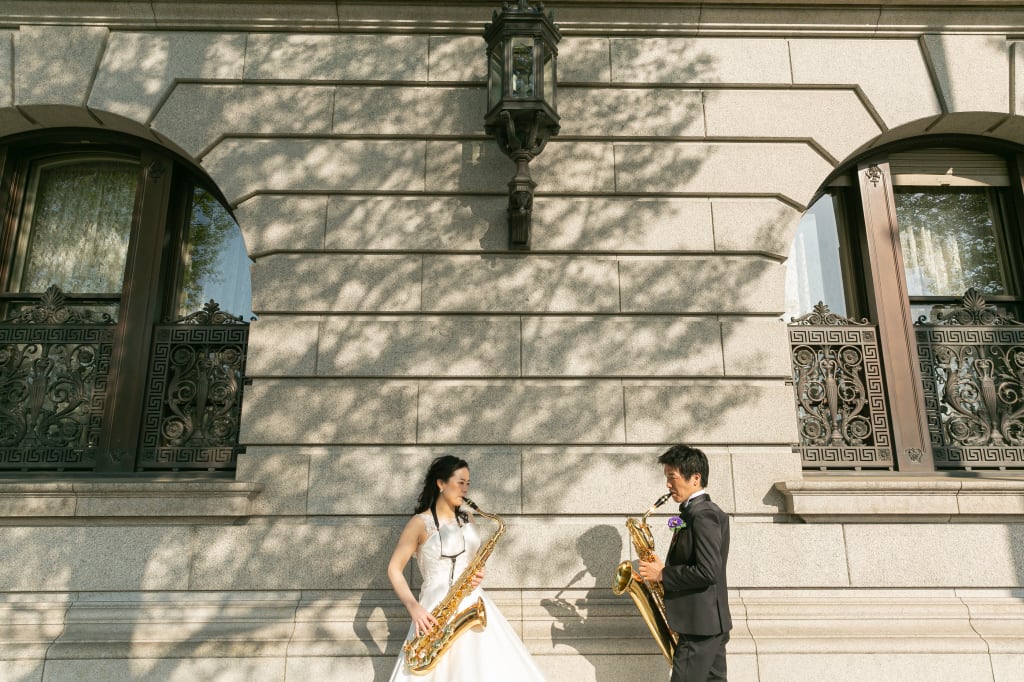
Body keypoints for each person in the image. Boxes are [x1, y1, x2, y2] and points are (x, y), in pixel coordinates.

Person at [386, 455, 546, 682]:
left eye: (468, 483)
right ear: (440, 483)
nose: (465, 489)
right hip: (434, 608)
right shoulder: (420, 523)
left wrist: (478, 573)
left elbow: (471, 561)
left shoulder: (469, 518)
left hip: (471, 602)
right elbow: (394, 569)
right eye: (460, 482)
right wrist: (414, 608)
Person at [638, 445, 732, 682]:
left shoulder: (703, 515)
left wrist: (663, 574)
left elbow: (708, 571)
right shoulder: (692, 513)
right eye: (666, 478)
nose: (668, 485)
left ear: (695, 478)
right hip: (709, 625)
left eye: (672, 478)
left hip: (698, 628)